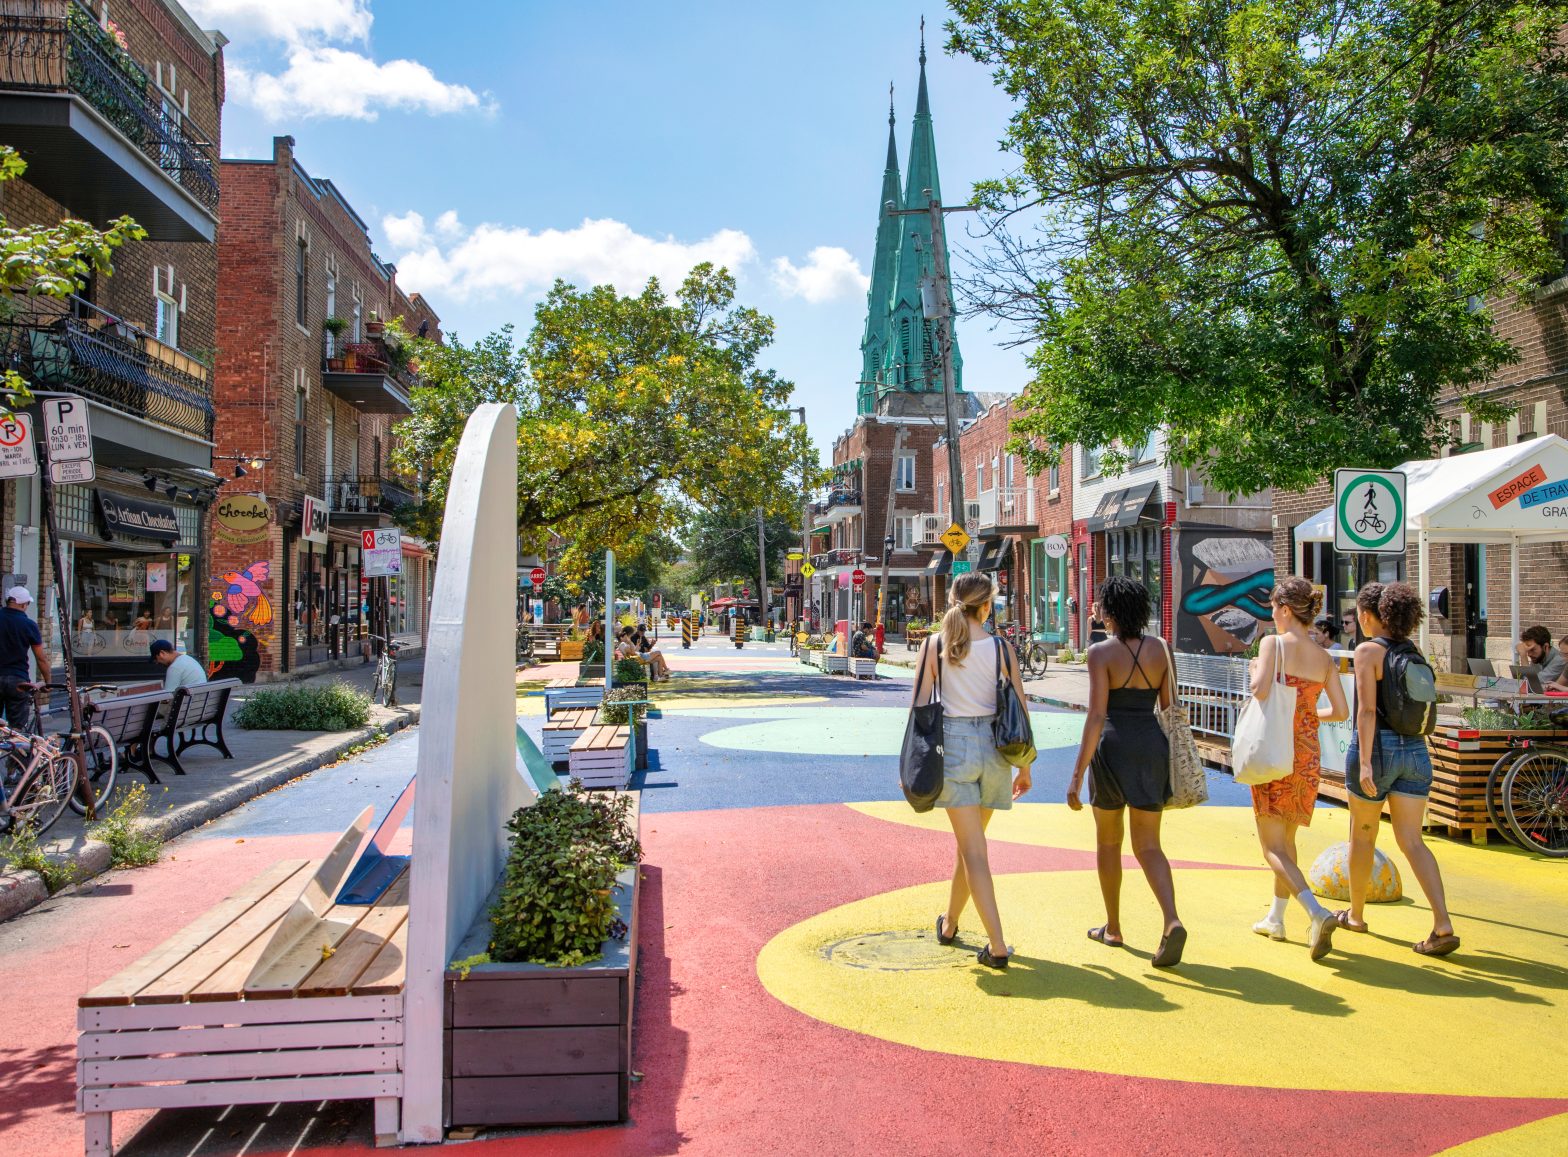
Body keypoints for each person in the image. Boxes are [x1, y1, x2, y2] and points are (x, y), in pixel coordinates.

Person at [912, 572, 1032, 970]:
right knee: (971, 846)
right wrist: (1025, 765)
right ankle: (950, 923)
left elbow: (920, 710)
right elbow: (1019, 708)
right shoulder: (1001, 648)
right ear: (987, 606)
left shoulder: (935, 646)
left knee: (974, 851)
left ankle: (997, 946)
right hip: (996, 751)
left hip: (956, 747)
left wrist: (912, 765)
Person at [1067, 576, 1186, 967]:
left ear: (1110, 611)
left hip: (1112, 747)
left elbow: (1097, 714)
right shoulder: (1161, 650)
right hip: (1152, 744)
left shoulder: (1100, 653)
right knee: (1150, 845)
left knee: (1108, 842)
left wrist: (1077, 774)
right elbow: (1168, 707)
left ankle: (1113, 927)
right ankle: (1171, 920)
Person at [1339, 582, 1459, 956]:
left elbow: (1367, 710)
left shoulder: (1367, 651)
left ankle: (1356, 915)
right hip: (1417, 751)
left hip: (1379, 750)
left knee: (1362, 836)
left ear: (1370, 615)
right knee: (1412, 841)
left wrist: (1363, 764)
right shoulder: (1415, 651)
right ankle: (1442, 923)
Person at [1248, 579, 1351, 958]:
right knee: (1287, 840)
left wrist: (1257, 667)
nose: (1271, 614)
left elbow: (1260, 690)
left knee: (1271, 847)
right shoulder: (1324, 657)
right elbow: (1341, 712)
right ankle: (1275, 918)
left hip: (1274, 748)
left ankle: (1316, 911)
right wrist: (1309, 714)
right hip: (1306, 754)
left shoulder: (1272, 644)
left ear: (1286, 609)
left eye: (1273, 608)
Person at [0, 587, 48, 730]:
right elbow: (41, 658)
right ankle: (16, 748)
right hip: (17, 679)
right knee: (17, 729)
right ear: (23, 604)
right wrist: (48, 681)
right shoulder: (28, 625)